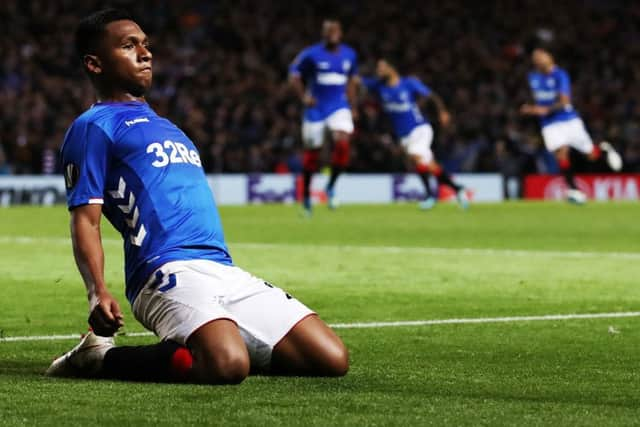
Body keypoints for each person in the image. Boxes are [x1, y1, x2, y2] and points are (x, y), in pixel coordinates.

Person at [46, 9, 348, 384]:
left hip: (223, 268)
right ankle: (99, 358)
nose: (145, 53)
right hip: (162, 271)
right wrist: (97, 293)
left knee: (332, 359)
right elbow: (85, 219)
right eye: (129, 46)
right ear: (95, 64)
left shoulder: (167, 125)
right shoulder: (93, 127)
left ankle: (217, 340)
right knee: (226, 367)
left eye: (145, 44)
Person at [362, 59, 468, 210]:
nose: (378, 71)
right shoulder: (379, 86)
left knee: (416, 156)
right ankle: (458, 189)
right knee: (427, 164)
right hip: (404, 135)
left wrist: (442, 111)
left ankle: (430, 196)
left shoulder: (409, 83)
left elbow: (431, 96)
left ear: (392, 69)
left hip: (419, 128)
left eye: (382, 68)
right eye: (377, 69)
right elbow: (358, 81)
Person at [520, 47, 622, 204]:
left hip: (568, 119)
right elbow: (537, 99)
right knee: (561, 153)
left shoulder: (560, 75)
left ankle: (603, 149)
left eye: (541, 56)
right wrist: (530, 108)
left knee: (591, 155)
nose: (539, 59)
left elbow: (565, 101)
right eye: (535, 58)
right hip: (549, 124)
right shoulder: (533, 78)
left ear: (550, 58)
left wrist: (542, 109)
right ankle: (573, 190)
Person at [289, 19, 359, 215]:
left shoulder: (350, 55)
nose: (331, 34)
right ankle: (306, 199)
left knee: (343, 142)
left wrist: (353, 106)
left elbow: (352, 81)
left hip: (339, 106)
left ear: (341, 33)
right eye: (328, 31)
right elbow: (293, 75)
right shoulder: (311, 54)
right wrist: (304, 97)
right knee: (312, 156)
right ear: (323, 34)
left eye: (335, 30)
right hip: (316, 109)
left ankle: (330, 186)